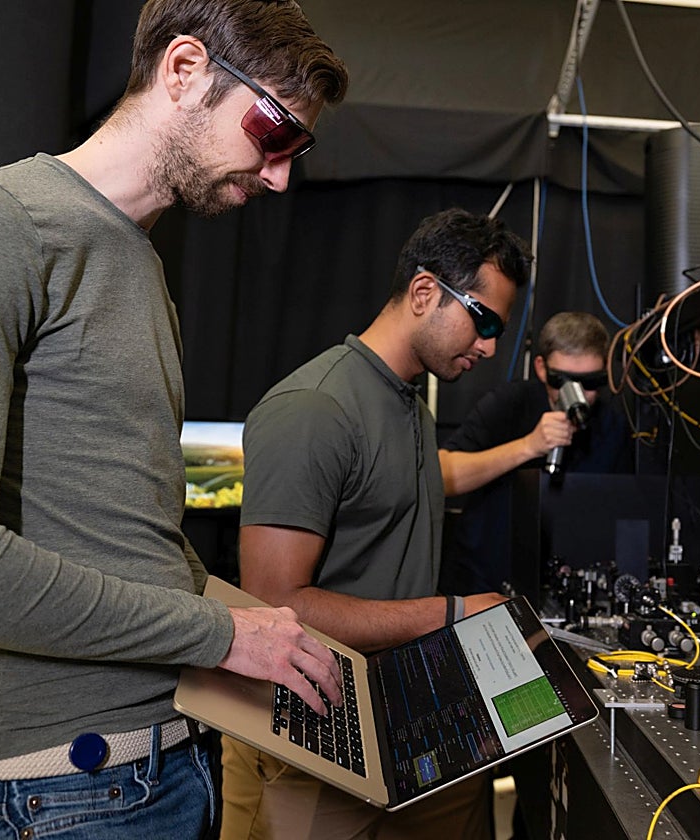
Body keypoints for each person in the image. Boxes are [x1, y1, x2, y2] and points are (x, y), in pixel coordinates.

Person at [0, 3, 349, 838]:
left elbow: (119, 541)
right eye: (274, 131)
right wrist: (217, 631)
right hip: (56, 794)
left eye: (295, 150)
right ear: (183, 70)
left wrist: (259, 628)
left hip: (160, 763)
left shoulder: (137, 261)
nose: (279, 175)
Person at [219, 207, 532, 840]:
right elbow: (274, 605)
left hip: (384, 728)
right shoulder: (314, 408)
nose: (492, 346)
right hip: (305, 746)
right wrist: (451, 614)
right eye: (485, 321)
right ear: (424, 292)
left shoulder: (409, 405)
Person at [437, 311, 636, 595]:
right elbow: (441, 475)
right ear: (542, 368)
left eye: (590, 382)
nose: (578, 392)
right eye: (563, 379)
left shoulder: (612, 425)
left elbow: (623, 515)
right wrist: (528, 446)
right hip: (483, 582)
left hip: (569, 588)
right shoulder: (509, 404)